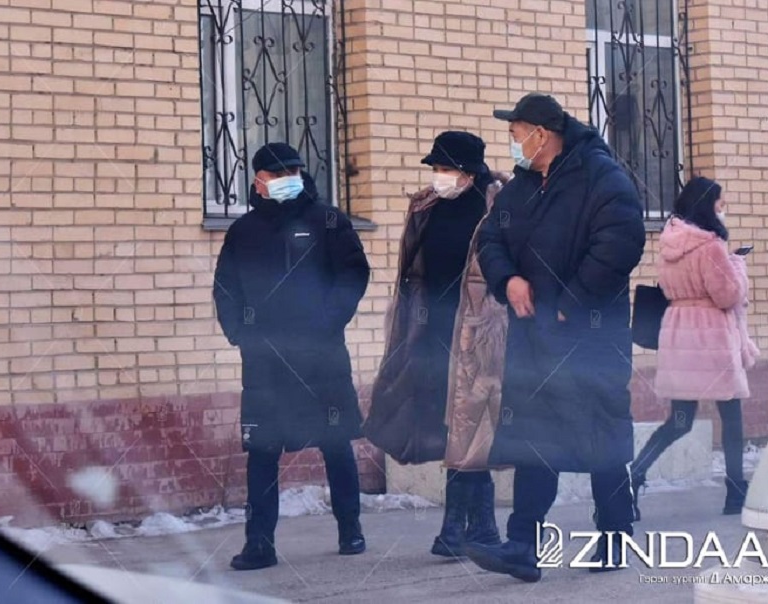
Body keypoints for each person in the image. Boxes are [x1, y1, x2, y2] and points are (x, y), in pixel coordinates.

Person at [462, 93, 646, 583]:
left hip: (590, 338)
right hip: (533, 339)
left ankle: (615, 535)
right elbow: (490, 239)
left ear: (541, 134)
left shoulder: (602, 177)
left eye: (515, 134)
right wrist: (508, 280)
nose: (512, 143)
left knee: (601, 438)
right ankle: (523, 545)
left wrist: (571, 302)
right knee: (534, 438)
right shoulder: (522, 187)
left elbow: (621, 242)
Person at [213, 143, 371, 570]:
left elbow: (354, 273)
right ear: (258, 181)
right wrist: (240, 333)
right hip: (265, 362)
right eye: (278, 173)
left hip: (321, 356)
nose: (288, 179)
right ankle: (259, 544)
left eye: (293, 172)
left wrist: (328, 321)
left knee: (335, 443)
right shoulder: (243, 231)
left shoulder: (328, 221)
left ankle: (351, 529)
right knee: (262, 451)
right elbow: (225, 287)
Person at [364, 132, 510, 557]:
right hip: (432, 333)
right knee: (453, 431)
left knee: (472, 428)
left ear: (469, 172)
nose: (439, 176)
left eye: (446, 168)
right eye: (436, 169)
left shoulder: (497, 208)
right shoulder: (427, 208)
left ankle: (470, 529)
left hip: (479, 335)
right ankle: (469, 530)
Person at [630, 176, 758, 519]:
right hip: (712, 338)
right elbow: (728, 295)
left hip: (679, 334)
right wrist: (737, 264)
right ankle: (735, 492)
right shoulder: (711, 247)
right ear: (707, 205)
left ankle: (635, 474)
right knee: (731, 418)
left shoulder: (670, 242)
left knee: (679, 420)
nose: (723, 207)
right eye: (719, 202)